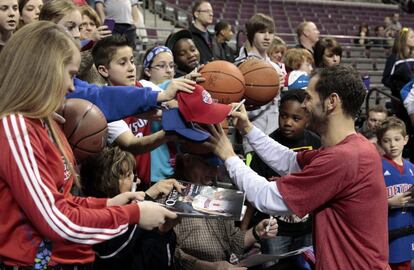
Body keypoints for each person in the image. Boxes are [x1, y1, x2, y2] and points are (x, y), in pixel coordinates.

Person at [0, 21, 177, 268]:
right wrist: (133, 215)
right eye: (71, 75)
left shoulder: (44, 123)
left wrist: (110, 203)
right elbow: (57, 221)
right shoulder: (15, 128)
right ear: (44, 70)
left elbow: (64, 200)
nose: (73, 87)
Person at [205, 64, 389, 269]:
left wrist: (229, 156)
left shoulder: (344, 157)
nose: (303, 105)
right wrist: (248, 129)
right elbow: (289, 161)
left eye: (308, 98)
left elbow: (267, 197)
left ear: (331, 102)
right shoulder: (353, 148)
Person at [92, 36, 192, 188]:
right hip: (117, 184)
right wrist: (170, 133)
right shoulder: (105, 106)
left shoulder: (144, 85)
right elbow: (132, 144)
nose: (131, 67)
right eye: (122, 63)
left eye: (132, 61)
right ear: (104, 70)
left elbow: (173, 106)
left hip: (143, 178)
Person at [247, 89, 320, 269]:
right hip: (274, 230)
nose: (287, 123)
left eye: (296, 118)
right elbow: (253, 191)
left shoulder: (316, 144)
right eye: (283, 116)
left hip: (307, 228)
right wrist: (243, 229)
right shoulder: (266, 145)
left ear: (308, 119)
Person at [80, 146, 183, 270]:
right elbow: (112, 253)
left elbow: (161, 264)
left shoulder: (140, 218)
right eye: (129, 176)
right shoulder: (92, 220)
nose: (138, 181)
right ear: (109, 182)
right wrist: (146, 199)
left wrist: (162, 233)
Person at [172, 153, 278, 270]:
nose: (215, 172)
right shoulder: (167, 199)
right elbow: (170, 253)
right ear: (187, 160)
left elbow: (232, 243)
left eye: (217, 166)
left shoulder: (217, 195)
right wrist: (210, 267)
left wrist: (255, 232)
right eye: (208, 165)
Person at [235, 13, 284, 160]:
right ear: (251, 35)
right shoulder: (243, 66)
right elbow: (242, 113)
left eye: (270, 32)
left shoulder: (275, 66)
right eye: (262, 32)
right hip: (253, 139)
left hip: (276, 138)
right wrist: (271, 92)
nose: (267, 37)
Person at [376, 117, 414, 270]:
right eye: (386, 140)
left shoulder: (411, 168)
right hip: (385, 234)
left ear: (405, 140)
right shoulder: (376, 167)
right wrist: (389, 203)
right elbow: (365, 202)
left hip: (407, 232)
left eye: (397, 139)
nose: (392, 145)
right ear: (380, 143)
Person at [382, 27, 414, 161]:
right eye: (412, 37)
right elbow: (386, 79)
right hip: (401, 102)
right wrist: (398, 89)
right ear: (403, 40)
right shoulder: (393, 58)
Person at [188, 0, 214, 64]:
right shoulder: (188, 36)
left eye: (211, 11)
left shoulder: (213, 37)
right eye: (207, 11)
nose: (211, 14)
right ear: (196, 14)